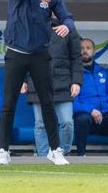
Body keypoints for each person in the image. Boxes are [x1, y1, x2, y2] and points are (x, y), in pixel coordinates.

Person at [0, 0, 74, 166]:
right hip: (16, 52)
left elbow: (67, 17)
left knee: (48, 102)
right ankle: (4, 151)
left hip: (40, 54)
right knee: (8, 104)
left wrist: (67, 25)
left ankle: (55, 150)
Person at [22, 14, 82, 157]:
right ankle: (43, 157)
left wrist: (77, 81)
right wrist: (22, 79)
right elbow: (22, 56)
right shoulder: (31, 27)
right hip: (37, 81)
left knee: (67, 123)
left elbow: (76, 58)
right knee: (40, 124)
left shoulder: (69, 29)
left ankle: (62, 153)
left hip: (63, 83)